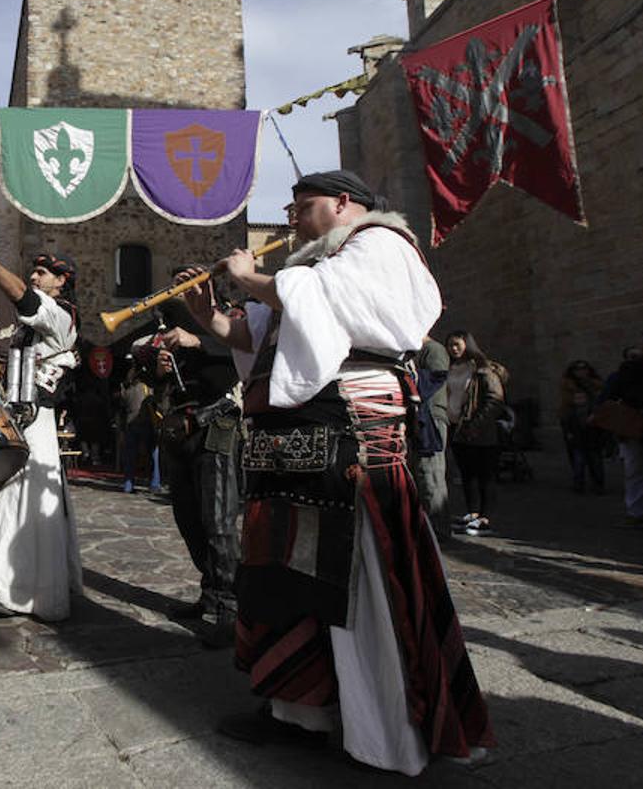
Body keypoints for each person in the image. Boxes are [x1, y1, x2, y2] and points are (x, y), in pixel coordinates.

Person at [188, 171, 491, 774]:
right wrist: (214, 320)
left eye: (304, 206)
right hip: (289, 443)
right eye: (292, 206)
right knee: (284, 574)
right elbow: (262, 339)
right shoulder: (310, 266)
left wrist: (254, 279)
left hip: (350, 432)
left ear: (344, 203)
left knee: (360, 575)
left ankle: (381, 729)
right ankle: (298, 712)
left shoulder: (378, 244)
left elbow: (348, 307)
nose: (294, 216)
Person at [0, 237, 83, 621]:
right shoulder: (36, 321)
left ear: (61, 281)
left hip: (35, 423)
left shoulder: (59, 314)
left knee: (21, 503)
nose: (35, 277)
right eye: (34, 271)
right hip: (17, 417)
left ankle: (20, 590)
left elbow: (23, 297)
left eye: (43, 272)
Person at [151, 315, 243, 643]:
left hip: (218, 426)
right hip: (181, 430)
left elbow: (247, 348)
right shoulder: (172, 335)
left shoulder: (228, 320)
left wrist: (201, 340)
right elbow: (161, 391)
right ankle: (211, 592)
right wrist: (160, 371)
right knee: (188, 519)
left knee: (219, 521)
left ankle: (231, 607)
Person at [446, 330, 505, 537]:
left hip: (479, 429)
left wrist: (477, 423)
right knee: (467, 473)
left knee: (484, 474)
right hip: (457, 427)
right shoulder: (452, 368)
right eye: (450, 345)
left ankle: (486, 518)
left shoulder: (482, 369)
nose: (453, 349)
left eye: (457, 344)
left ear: (467, 344)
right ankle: (472, 513)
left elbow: (494, 398)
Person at [601, 329, 643, 525]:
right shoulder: (629, 368)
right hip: (634, 426)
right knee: (635, 469)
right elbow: (612, 392)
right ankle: (636, 511)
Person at [412, 336, 451, 523]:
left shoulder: (433, 350)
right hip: (419, 417)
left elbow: (436, 379)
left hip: (430, 418)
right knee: (421, 473)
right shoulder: (416, 351)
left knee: (431, 474)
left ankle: (438, 527)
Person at [559, 360, 606, 495]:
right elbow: (566, 403)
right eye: (578, 369)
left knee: (595, 457)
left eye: (584, 369)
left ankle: (597, 483)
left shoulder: (595, 383)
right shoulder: (567, 384)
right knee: (577, 456)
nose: (581, 372)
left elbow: (601, 397)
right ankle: (579, 482)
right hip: (574, 423)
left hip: (592, 424)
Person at [118, 364, 160, 494]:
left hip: (130, 424)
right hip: (147, 423)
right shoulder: (148, 388)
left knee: (130, 456)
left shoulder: (126, 390)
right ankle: (155, 483)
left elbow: (122, 407)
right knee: (153, 453)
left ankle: (128, 484)